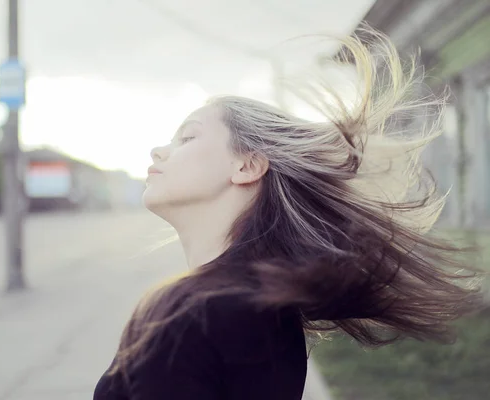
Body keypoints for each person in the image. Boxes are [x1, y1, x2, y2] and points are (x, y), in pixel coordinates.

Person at [93, 28, 483, 400]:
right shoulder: (262, 305)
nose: (158, 152)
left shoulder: (188, 314)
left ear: (247, 167)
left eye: (188, 137)